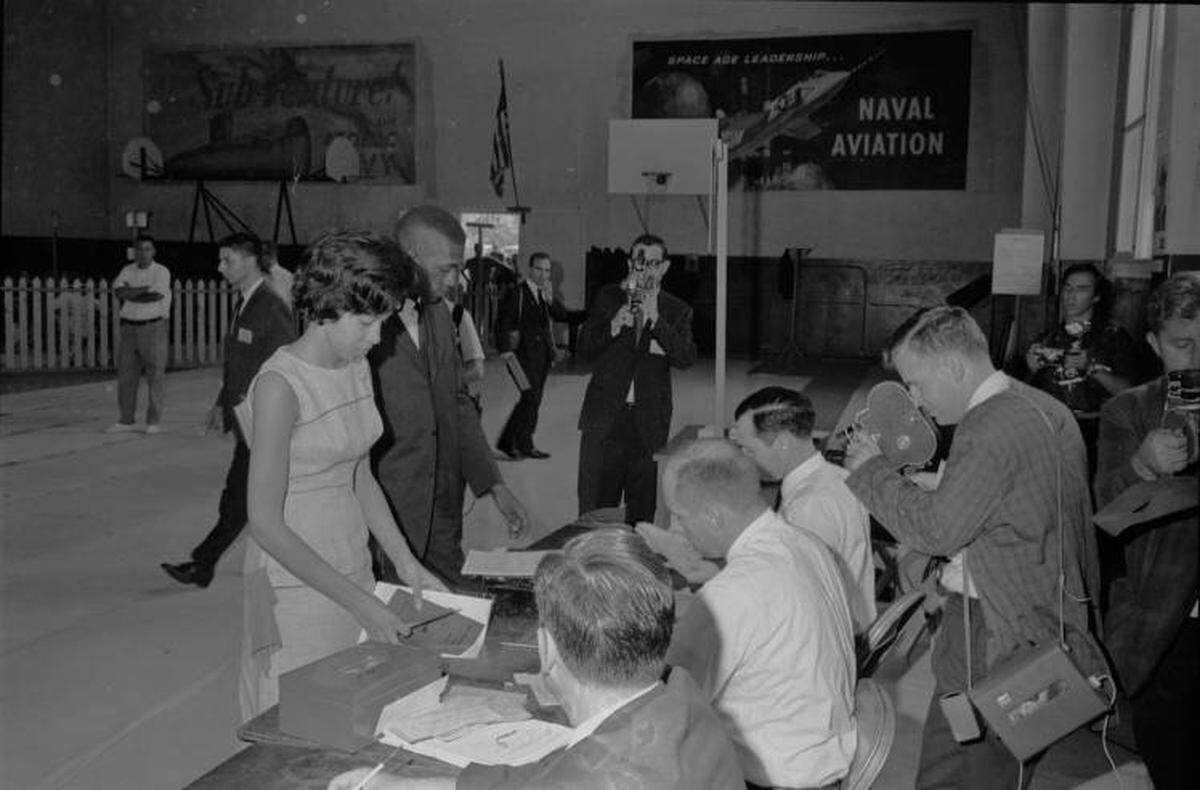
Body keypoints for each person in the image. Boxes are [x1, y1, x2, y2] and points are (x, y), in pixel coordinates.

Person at [844, 306, 1105, 789]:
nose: (916, 401)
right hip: (1039, 619)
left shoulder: (988, 425)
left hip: (995, 635)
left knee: (968, 769)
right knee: (973, 760)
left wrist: (869, 471)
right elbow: (1018, 506)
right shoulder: (1041, 406)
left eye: (917, 384)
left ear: (955, 368)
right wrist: (944, 489)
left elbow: (938, 532)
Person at [328, 528, 743, 790]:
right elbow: (542, 778)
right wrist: (404, 785)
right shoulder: (682, 696)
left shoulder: (591, 773)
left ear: (547, 650)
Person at [237, 231, 447, 720]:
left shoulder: (354, 363)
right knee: (291, 717)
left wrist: (404, 561)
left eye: (384, 323)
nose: (378, 338)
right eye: (368, 323)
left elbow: (360, 474)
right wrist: (361, 603)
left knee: (346, 716)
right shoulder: (279, 386)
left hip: (350, 565)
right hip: (292, 586)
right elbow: (265, 524)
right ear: (327, 307)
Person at [664, 439, 858, 789]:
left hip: (766, 778)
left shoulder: (731, 594)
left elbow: (670, 706)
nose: (674, 531)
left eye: (678, 516)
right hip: (818, 761)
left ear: (712, 515)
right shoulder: (805, 544)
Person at [371, 205, 530, 590]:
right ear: (410, 257)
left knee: (456, 610)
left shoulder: (441, 315)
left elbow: (458, 404)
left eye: (457, 267)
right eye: (445, 269)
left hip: (442, 509)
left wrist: (495, 487)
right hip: (386, 511)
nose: (456, 280)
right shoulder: (364, 324)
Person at [1095, 272, 1200, 790]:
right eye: (1184, 344)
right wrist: (1140, 465)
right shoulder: (1129, 410)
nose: (1199, 357)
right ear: (1157, 345)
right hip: (1164, 626)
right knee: (1172, 762)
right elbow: (1107, 516)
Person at [161, 233, 296, 589]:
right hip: (247, 420)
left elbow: (284, 365)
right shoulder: (246, 303)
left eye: (228, 260)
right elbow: (239, 361)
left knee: (241, 498)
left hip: (264, 422)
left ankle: (203, 564)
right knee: (240, 497)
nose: (220, 267)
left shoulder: (270, 306)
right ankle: (204, 564)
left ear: (251, 260)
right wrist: (221, 403)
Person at [731, 386, 876, 634]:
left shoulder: (808, 507)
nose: (744, 459)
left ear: (783, 443)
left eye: (749, 449)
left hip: (828, 637)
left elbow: (794, 598)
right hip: (846, 624)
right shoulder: (839, 477)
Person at [576, 234, 696, 523]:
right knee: (596, 504)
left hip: (648, 421)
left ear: (665, 267)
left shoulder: (677, 310)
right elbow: (584, 350)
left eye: (654, 263)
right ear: (630, 263)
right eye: (640, 262)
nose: (647, 270)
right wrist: (614, 325)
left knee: (641, 508)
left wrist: (656, 320)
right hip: (605, 418)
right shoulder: (608, 297)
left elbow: (685, 358)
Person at [1025, 263, 1138, 452]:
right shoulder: (1046, 338)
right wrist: (1032, 369)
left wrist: (1092, 368)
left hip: (1096, 431)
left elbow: (1130, 391)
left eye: (1081, 289)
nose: (1071, 295)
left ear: (1096, 296)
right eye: (1067, 288)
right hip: (1051, 429)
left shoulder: (1114, 337)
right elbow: (1029, 393)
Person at [496, 252, 568, 459]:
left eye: (547, 270)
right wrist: (505, 351)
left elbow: (561, 316)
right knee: (529, 397)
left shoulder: (544, 294)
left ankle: (525, 444)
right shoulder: (517, 293)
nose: (543, 274)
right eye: (539, 269)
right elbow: (501, 323)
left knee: (534, 400)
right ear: (530, 269)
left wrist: (550, 299)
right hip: (519, 357)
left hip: (542, 357)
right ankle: (507, 443)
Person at [107, 234, 171, 434]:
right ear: (134, 251)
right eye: (139, 249)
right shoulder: (127, 270)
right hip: (129, 328)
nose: (142, 253)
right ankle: (126, 420)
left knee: (155, 375)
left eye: (147, 249)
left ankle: (153, 421)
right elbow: (119, 292)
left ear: (154, 251)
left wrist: (131, 293)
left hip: (152, 327)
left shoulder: (161, 271)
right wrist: (141, 291)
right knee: (126, 375)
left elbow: (155, 296)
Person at [262, 241, 295, 310]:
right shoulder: (261, 276)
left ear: (272, 254)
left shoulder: (286, 276)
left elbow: (286, 302)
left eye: (263, 254)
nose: (260, 258)